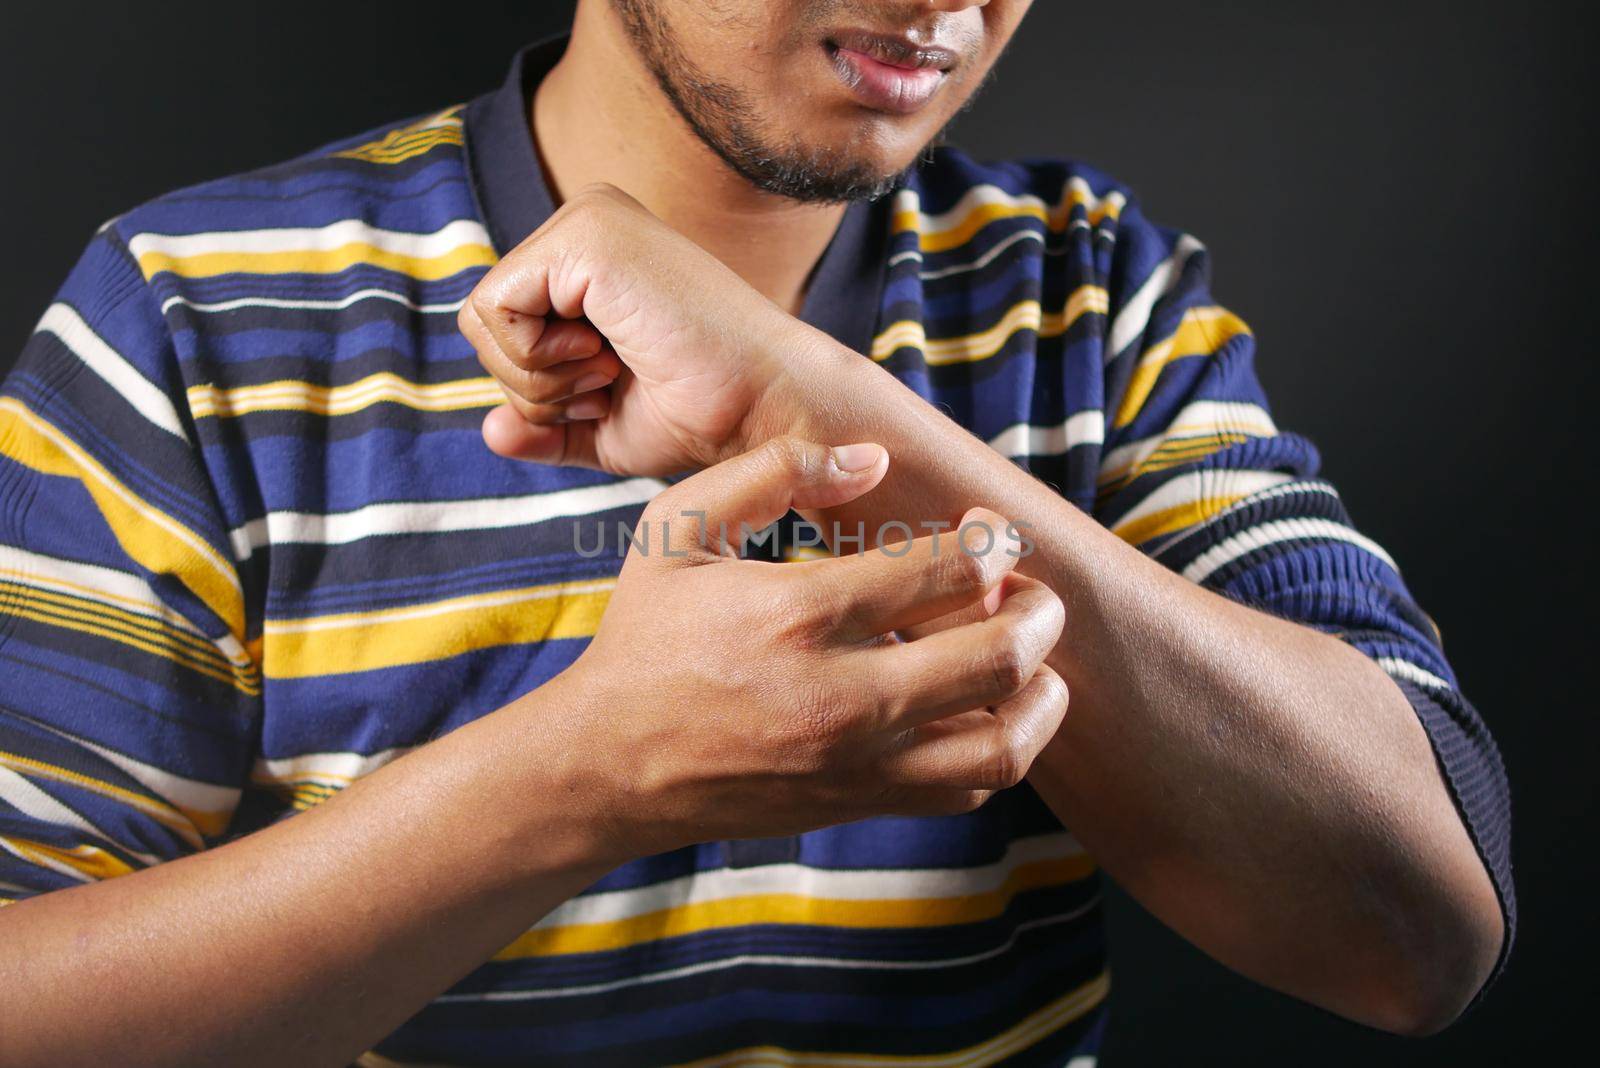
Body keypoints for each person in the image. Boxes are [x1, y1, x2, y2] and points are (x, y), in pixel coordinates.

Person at [0, 1, 1513, 1065]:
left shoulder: (1093, 293)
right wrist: (588, 776)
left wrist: (815, 400)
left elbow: (1414, 932)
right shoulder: (197, 306)